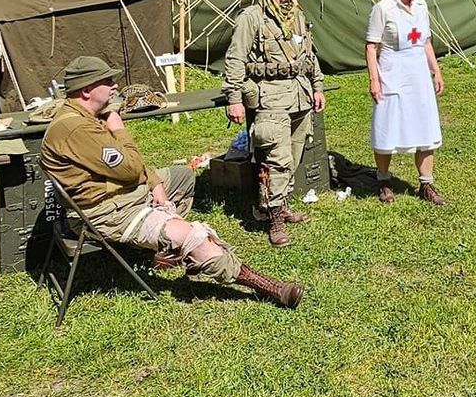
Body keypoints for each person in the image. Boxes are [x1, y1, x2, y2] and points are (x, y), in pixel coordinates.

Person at [41, 56, 304, 308]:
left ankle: (167, 248)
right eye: (107, 82)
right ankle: (266, 285)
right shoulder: (78, 129)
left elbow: (126, 167)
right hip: (111, 211)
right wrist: (118, 127)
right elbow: (130, 169)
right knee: (195, 237)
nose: (115, 86)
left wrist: (155, 183)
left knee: (183, 177)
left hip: (124, 192)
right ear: (87, 91)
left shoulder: (85, 116)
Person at [223, 0, 326, 247]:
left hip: (299, 95)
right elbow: (235, 59)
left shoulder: (297, 14)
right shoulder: (251, 18)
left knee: (293, 157)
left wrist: (317, 85)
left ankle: (277, 205)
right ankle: (274, 218)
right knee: (276, 159)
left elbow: (309, 54)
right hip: (270, 98)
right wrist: (234, 98)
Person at [366, 0, 447, 206]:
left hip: (418, 73)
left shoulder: (421, 6)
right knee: (387, 125)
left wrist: (436, 70)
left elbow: (425, 42)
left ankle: (426, 184)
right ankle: (384, 180)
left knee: (425, 127)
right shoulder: (383, 8)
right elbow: (371, 47)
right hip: (392, 71)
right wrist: (375, 80)